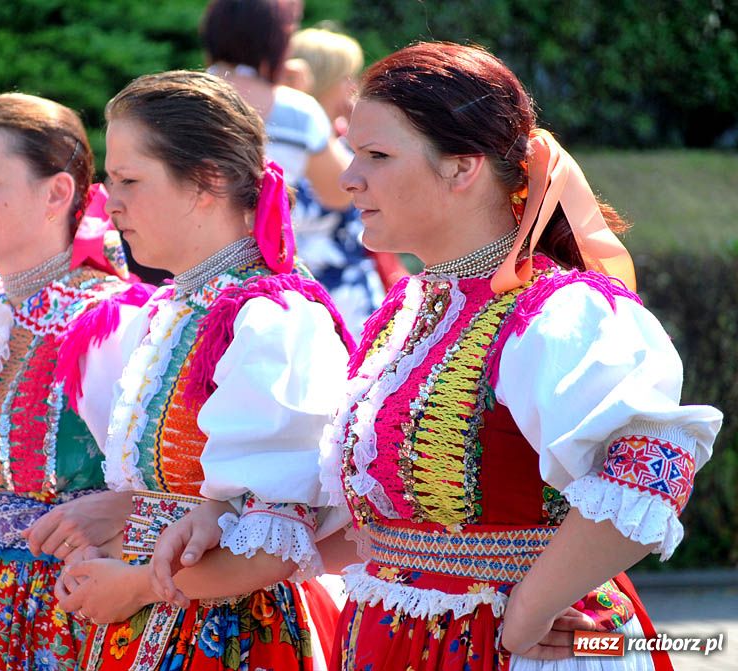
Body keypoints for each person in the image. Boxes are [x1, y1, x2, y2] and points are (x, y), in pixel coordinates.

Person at [319, 42, 722, 670]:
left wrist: (525, 615)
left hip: (527, 647)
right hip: (395, 640)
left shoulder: (560, 312)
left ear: (462, 167)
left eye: (376, 155)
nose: (349, 177)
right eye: (353, 152)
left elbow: (649, 467)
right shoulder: (409, 310)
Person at [54, 70, 355, 671]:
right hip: (143, 623)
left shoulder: (273, 322)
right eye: (112, 181)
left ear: (207, 182)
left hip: (225, 634)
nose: (111, 205)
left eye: (130, 181)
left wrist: (136, 585)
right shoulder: (174, 310)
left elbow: (272, 550)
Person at [0, 92, 152, 670]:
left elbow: (176, 483)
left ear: (58, 192)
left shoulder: (120, 320)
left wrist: (116, 515)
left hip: (74, 608)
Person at [283, 26, 407, 338]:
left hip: (350, 291)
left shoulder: (344, 138)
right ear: (323, 79)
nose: (352, 87)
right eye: (345, 77)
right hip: (322, 294)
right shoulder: (298, 147)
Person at [200, 0, 352, 213]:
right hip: (267, 241)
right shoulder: (298, 111)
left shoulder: (178, 96)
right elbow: (340, 192)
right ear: (278, 40)